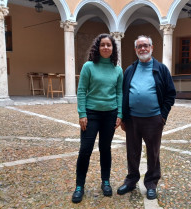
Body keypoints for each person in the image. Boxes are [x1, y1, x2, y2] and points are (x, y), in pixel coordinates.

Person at [117, 35, 176, 200]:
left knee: (153, 152)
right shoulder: (130, 70)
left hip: (153, 120)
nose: (142, 49)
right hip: (133, 119)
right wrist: (124, 117)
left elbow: (170, 94)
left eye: (145, 45)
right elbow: (123, 93)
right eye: (139, 46)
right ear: (136, 50)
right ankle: (131, 181)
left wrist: (162, 116)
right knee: (132, 152)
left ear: (151, 48)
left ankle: (151, 184)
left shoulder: (161, 69)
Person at [72, 33, 123, 203]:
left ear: (113, 48)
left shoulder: (117, 69)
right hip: (91, 114)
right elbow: (81, 91)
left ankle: (105, 182)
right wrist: (82, 113)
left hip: (110, 114)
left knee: (105, 149)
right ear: (97, 47)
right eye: (103, 45)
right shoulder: (88, 66)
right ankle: (79, 186)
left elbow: (119, 92)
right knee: (85, 149)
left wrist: (120, 114)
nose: (106, 47)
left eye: (109, 45)